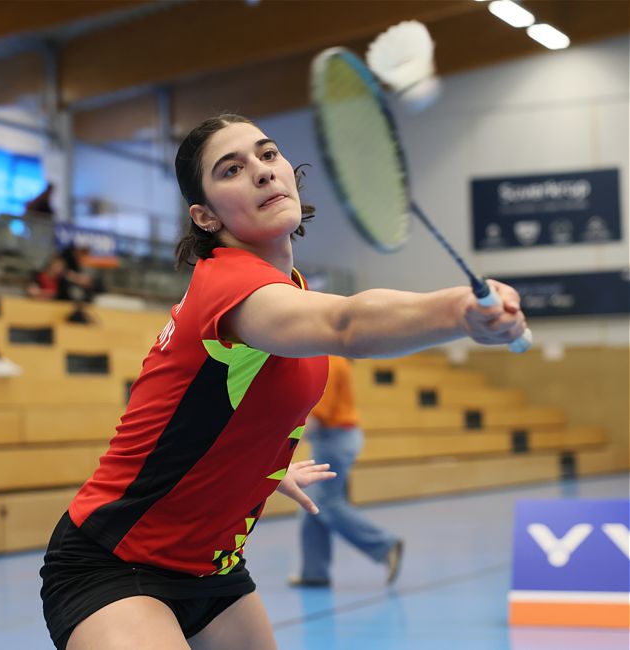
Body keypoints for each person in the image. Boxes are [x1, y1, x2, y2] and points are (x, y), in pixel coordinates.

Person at [39, 114, 528, 650]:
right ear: (204, 216)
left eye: (268, 155)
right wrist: (459, 310)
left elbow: (222, 406)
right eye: (232, 169)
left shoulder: (287, 290)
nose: (262, 172)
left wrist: (260, 467)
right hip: (113, 561)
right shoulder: (230, 283)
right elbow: (348, 324)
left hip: (213, 569)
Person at [290, 355, 403, 588]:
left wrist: (285, 447)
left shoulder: (329, 361)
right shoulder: (329, 358)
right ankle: (314, 572)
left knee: (328, 503)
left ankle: (385, 545)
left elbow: (318, 416)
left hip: (335, 439)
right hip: (334, 438)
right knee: (312, 502)